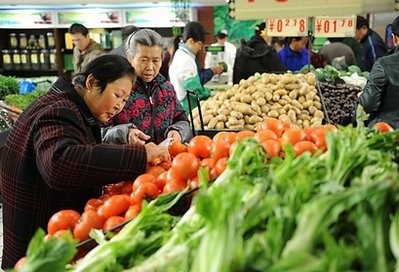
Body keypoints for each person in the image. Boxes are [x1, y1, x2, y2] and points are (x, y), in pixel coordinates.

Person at [0, 54, 171, 269]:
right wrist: (139, 155)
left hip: (47, 236)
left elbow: (79, 150)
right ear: (91, 83)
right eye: (117, 95)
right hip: (35, 248)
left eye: (125, 100)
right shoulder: (58, 111)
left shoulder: (70, 106)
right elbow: (59, 164)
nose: (120, 106)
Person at [103, 29, 192, 145]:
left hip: (164, 160)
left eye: (156, 60)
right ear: (130, 58)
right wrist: (126, 133)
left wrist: (178, 131)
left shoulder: (167, 89)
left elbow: (182, 120)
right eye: (143, 60)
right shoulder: (117, 89)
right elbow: (103, 132)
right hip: (131, 159)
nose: (150, 67)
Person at [169, 21, 223, 114]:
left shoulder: (181, 54)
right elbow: (192, 86)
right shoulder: (185, 59)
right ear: (190, 41)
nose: (201, 48)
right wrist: (208, 93)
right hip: (186, 107)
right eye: (200, 43)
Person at [358, 16, 399, 129]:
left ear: (394, 38)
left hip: (388, 133)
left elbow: (367, 104)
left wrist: (361, 97)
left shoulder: (384, 64)